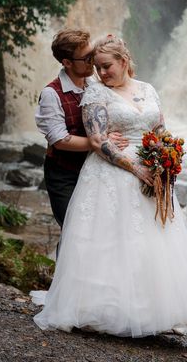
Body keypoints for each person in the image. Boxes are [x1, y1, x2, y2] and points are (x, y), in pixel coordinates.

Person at [31, 35, 187, 337]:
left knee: (154, 242)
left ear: (124, 62)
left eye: (106, 66)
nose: (101, 73)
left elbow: (159, 130)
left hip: (150, 172)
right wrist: (137, 169)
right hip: (111, 175)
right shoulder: (95, 94)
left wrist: (165, 160)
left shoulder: (148, 89)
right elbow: (99, 141)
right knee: (112, 243)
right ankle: (108, 310)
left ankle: (160, 313)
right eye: (97, 67)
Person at [35, 29, 128, 230]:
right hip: (65, 176)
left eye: (92, 54)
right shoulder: (51, 94)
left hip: (96, 169)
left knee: (100, 231)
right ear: (67, 62)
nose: (92, 61)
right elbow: (60, 140)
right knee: (74, 232)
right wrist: (102, 143)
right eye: (86, 58)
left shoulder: (95, 82)